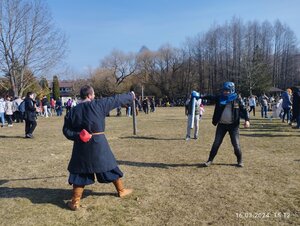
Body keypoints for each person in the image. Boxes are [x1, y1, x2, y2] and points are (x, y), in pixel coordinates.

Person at [63, 85, 134, 211]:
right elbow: (116, 99)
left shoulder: (73, 110)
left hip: (81, 145)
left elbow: (66, 130)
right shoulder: (98, 105)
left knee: (82, 171)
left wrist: (77, 135)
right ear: (90, 95)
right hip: (98, 143)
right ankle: (121, 190)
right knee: (109, 166)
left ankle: (75, 201)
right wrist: (131, 95)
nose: (94, 96)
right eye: (94, 94)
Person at [203, 82, 250, 167]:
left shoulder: (237, 98)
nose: (225, 92)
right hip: (221, 125)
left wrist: (247, 120)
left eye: (227, 90)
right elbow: (210, 97)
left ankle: (240, 161)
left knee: (236, 144)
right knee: (216, 143)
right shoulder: (220, 98)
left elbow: (244, 110)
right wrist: (199, 96)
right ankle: (210, 160)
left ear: (232, 90)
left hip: (233, 126)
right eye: (224, 90)